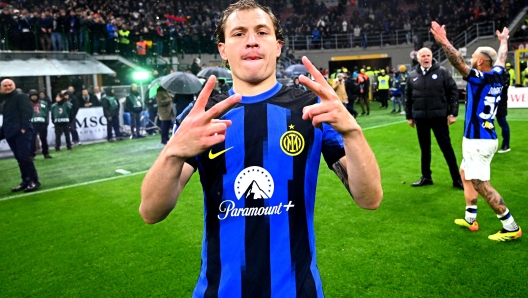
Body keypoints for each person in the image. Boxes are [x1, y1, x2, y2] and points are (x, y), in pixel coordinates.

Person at [139, 1, 383, 296]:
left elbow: (369, 198)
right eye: (239, 33)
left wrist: (353, 133)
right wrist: (173, 151)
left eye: (262, 32)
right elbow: (151, 211)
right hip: (221, 290)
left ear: (278, 46)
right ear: (223, 50)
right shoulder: (203, 115)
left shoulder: (313, 109)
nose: (251, 40)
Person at [431, 22, 522, 241]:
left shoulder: (480, 78)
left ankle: (510, 226)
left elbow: (458, 63)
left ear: (480, 62)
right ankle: (470, 218)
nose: (470, 59)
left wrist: (444, 42)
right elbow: (501, 58)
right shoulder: (498, 73)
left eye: (473, 56)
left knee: (481, 184)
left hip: (478, 140)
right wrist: (504, 42)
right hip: (484, 136)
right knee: (465, 174)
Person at [405, 47, 463, 189]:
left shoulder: (442, 72)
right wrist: (409, 117)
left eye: (428, 55)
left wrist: (453, 113)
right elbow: (407, 97)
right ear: (418, 58)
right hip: (420, 119)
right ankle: (426, 177)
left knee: (446, 148)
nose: (426, 58)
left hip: (439, 118)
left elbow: (453, 93)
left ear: (432, 57)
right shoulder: (412, 75)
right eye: (423, 56)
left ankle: (457, 179)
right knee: (425, 150)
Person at [0, 79, 41, 192]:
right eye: (5, 86)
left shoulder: (21, 96)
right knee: (19, 158)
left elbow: (27, 111)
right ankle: (26, 180)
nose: (8, 87)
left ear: (14, 86)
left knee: (24, 157)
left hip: (21, 132)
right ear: (1, 88)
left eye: (10, 85)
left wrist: (24, 128)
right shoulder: (4, 99)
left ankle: (34, 181)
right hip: (10, 133)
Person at [28, 89, 52, 159]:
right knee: (32, 140)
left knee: (43, 139)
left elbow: (47, 113)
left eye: (35, 95)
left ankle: (46, 153)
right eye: (32, 96)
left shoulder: (43, 103)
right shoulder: (27, 104)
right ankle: (31, 154)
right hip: (32, 124)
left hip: (42, 124)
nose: (34, 97)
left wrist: (46, 122)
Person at [496, 68, 511, 153]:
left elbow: (504, 85)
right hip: (493, 102)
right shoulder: (495, 71)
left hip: (501, 103)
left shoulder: (504, 73)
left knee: (502, 123)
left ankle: (506, 144)